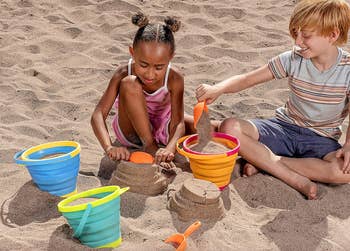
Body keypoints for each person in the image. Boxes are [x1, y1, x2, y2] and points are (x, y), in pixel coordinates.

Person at [195, 0, 350, 199]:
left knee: (344, 171)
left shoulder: (347, 70)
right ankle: (293, 178)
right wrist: (218, 88)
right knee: (230, 127)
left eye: (306, 36)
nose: (298, 42)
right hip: (283, 128)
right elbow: (248, 79)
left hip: (321, 140)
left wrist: (348, 145)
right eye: (296, 34)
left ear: (333, 35)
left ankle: (266, 163)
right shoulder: (292, 59)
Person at [91, 12, 186, 166]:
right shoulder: (123, 72)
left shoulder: (175, 78)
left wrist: (169, 149)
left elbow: (178, 123)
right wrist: (109, 147)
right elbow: (98, 114)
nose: (150, 74)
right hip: (131, 132)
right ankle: (149, 145)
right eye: (143, 65)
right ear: (132, 53)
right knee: (129, 83)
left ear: (171, 57)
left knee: (197, 125)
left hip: (161, 127)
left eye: (159, 67)